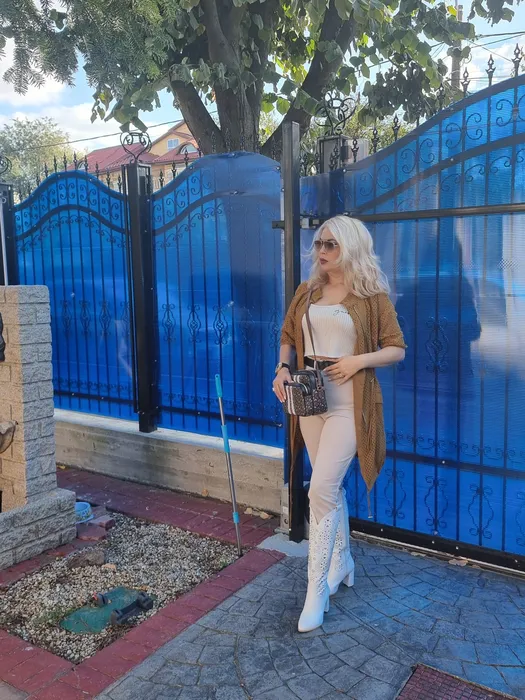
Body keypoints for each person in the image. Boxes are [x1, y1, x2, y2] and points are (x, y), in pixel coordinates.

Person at [273, 215, 406, 633]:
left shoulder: (371, 296)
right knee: (327, 488)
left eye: (330, 244)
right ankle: (342, 561)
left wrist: (356, 361)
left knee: (321, 488)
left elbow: (396, 348)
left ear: (350, 246)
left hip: (350, 402)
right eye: (318, 243)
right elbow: (288, 334)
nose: (321, 251)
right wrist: (282, 368)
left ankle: (316, 592)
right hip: (309, 395)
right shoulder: (307, 291)